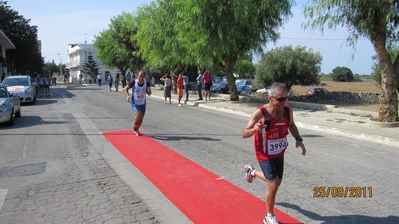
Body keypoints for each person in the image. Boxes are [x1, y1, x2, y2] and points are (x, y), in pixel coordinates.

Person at [242, 82, 306, 224]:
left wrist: (298, 139)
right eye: (280, 99)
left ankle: (252, 172)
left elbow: (291, 125)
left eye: (286, 98)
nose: (284, 102)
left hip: (279, 152)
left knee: (277, 182)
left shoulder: (287, 109)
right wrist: (254, 130)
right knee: (273, 184)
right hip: (264, 153)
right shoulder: (260, 113)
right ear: (270, 98)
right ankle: (269, 216)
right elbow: (244, 133)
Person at [124, 70, 152, 136]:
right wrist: (127, 96)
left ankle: (136, 128)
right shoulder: (134, 82)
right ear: (138, 76)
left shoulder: (147, 83)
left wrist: (149, 91)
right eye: (139, 76)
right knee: (139, 116)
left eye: (142, 76)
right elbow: (126, 88)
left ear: (144, 77)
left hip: (143, 103)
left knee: (141, 119)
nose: (141, 78)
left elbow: (149, 94)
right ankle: (136, 130)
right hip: (135, 103)